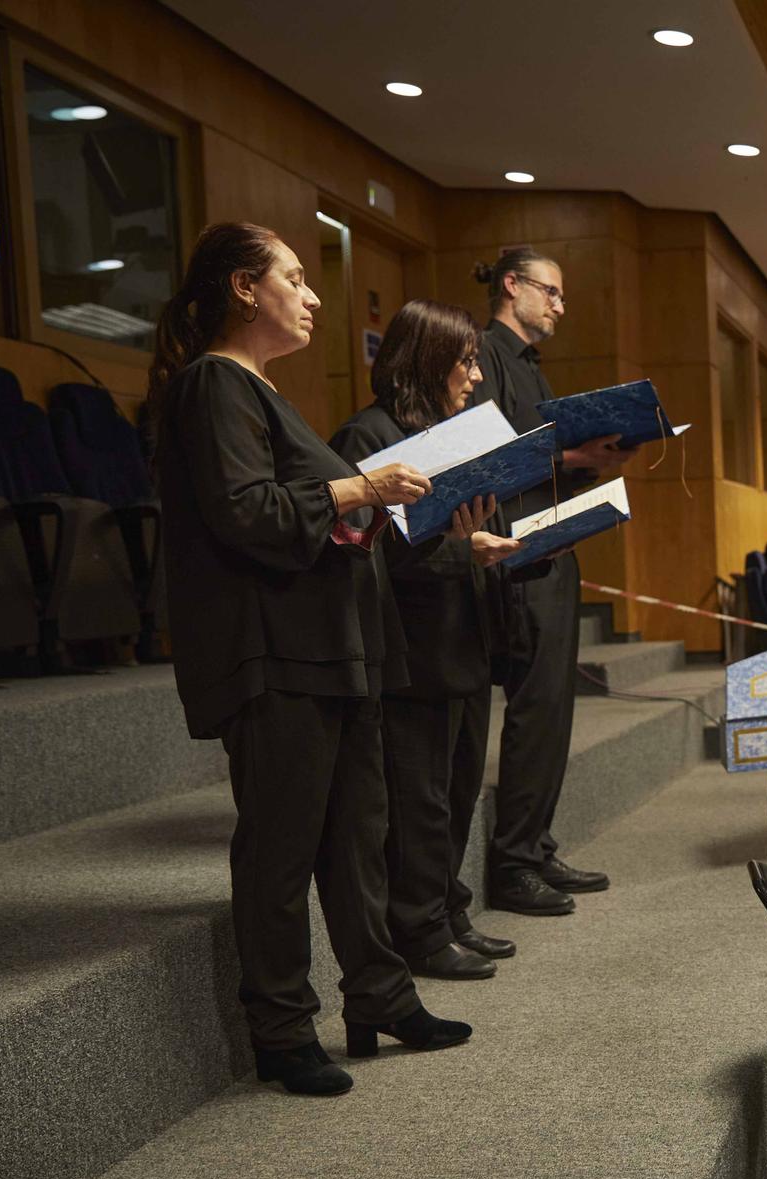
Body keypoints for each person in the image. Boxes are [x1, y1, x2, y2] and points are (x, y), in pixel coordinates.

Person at [149, 222, 468, 1097]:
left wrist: (372, 504)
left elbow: (308, 511)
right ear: (245, 288)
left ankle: (379, 994)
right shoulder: (213, 383)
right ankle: (282, 1029)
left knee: (357, 839)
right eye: (295, 275)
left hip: (334, 648)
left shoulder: (264, 390)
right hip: (274, 652)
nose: (315, 292)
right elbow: (247, 512)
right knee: (282, 849)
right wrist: (364, 486)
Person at [329, 299, 524, 981]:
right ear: (429, 360)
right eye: (465, 361)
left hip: (462, 637)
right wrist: (455, 544)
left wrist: (479, 538)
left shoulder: (443, 434)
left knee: (459, 785)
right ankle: (416, 928)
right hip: (410, 648)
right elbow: (365, 555)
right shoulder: (367, 437)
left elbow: (442, 537)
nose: (474, 376)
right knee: (420, 798)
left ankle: (447, 908)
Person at [469, 247, 627, 916]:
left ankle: (534, 844)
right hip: (515, 554)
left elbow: (535, 459)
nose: (560, 305)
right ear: (512, 285)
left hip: (549, 541)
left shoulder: (529, 366)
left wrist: (589, 459)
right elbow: (485, 454)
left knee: (555, 708)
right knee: (535, 711)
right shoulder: (482, 354)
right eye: (551, 292)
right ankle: (511, 864)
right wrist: (570, 453)